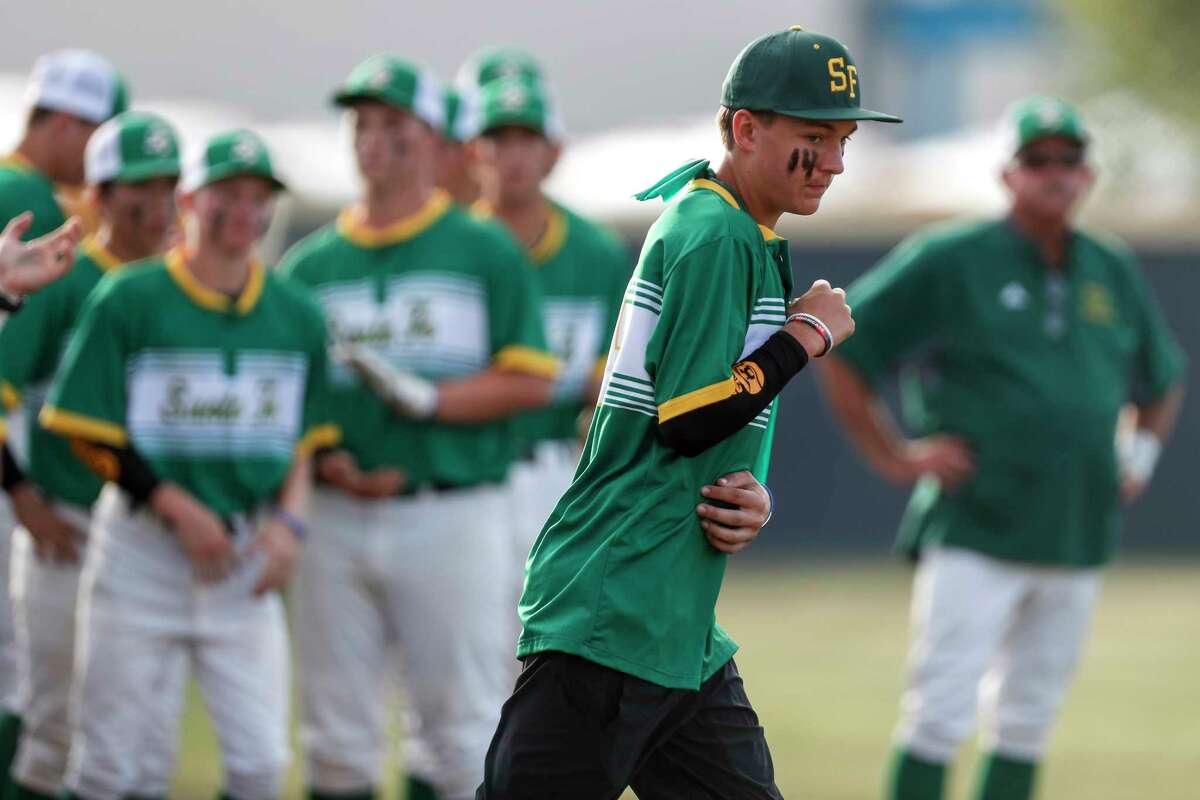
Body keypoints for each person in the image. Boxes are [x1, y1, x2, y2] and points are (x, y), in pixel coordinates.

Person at [477, 26, 900, 799]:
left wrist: (750, 490)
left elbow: (698, 423)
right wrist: (806, 336)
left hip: (673, 621)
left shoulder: (732, 228)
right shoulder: (716, 234)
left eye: (843, 139)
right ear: (746, 128)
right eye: (816, 137)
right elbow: (686, 418)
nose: (836, 161)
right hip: (619, 609)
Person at [817, 96, 1186, 800]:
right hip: (977, 523)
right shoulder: (953, 257)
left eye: (1068, 160)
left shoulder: (1108, 265)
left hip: (1076, 526)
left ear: (1088, 175)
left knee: (1027, 721)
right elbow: (840, 346)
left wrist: (1137, 456)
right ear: (1008, 174)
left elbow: (1162, 376)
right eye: (1037, 160)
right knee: (939, 713)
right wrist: (895, 455)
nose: (1054, 173)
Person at [278, 55, 556, 800]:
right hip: (336, 518)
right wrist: (329, 457)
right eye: (362, 122)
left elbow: (529, 378)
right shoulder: (308, 267)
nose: (374, 138)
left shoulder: (483, 249)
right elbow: (293, 402)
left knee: (463, 733)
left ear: (435, 139)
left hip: (451, 511)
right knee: (335, 739)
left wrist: (428, 401)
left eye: (393, 123)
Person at [40, 129, 338, 800]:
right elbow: (90, 431)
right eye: (227, 194)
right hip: (142, 551)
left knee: (262, 763)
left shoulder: (295, 312)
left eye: (258, 196)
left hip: (242, 553)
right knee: (108, 765)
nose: (244, 211)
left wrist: (291, 524)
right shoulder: (130, 297)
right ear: (189, 201)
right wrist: (177, 506)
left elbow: (304, 441)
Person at [0, 110, 181, 800]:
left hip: (150, 540)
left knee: (148, 736)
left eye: (169, 184)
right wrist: (24, 499)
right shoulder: (65, 276)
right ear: (100, 193)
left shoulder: (181, 283)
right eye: (141, 185)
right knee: (52, 731)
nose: (157, 202)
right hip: (67, 526)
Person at [0, 48, 127, 787]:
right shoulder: (32, 200)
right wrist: (21, 491)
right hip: (19, 466)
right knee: (22, 683)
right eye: (95, 132)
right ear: (69, 120)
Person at [468, 70, 630, 648]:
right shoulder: (453, 246)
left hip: (553, 467)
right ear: (473, 152)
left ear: (553, 151)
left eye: (527, 138)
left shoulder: (595, 252)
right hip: (465, 469)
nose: (513, 156)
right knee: (465, 657)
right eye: (498, 139)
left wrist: (527, 385)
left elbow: (621, 374)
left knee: (550, 648)